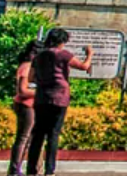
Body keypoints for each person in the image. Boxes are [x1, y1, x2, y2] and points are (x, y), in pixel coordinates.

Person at [27, 29, 92, 176]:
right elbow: (83, 66)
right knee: (53, 134)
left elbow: (31, 77)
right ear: (62, 41)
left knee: (38, 134)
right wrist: (90, 54)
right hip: (59, 97)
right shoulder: (63, 54)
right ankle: (49, 171)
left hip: (42, 97)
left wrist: (44, 79)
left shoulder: (39, 56)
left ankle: (31, 169)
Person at [7, 41, 40, 176]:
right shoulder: (26, 67)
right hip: (26, 105)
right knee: (23, 138)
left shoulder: (32, 67)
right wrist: (41, 92)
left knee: (29, 139)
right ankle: (14, 169)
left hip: (32, 105)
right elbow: (22, 91)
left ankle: (20, 168)